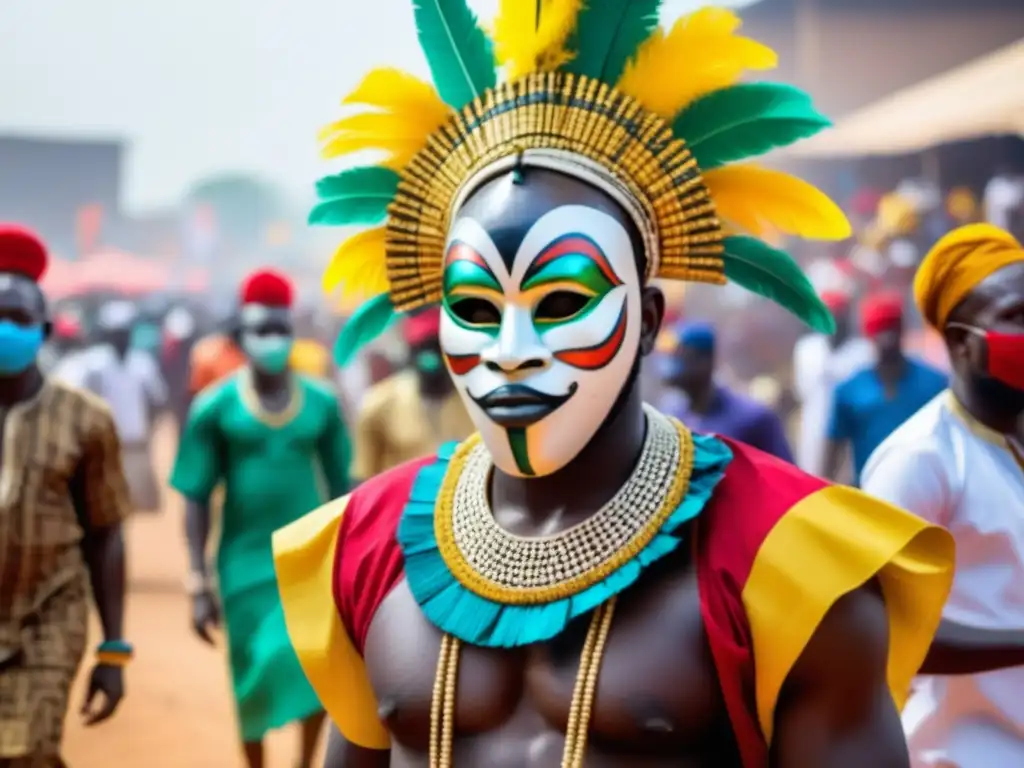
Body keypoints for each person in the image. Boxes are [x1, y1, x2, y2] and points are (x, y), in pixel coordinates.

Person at [273, 5, 957, 766]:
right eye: (473, 308)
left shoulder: (786, 565)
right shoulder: (368, 546)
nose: (511, 353)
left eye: (562, 301)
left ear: (649, 316)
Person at [169, 268, 351, 768]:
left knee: (313, 671)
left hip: (310, 563)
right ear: (240, 336)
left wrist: (349, 565)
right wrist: (196, 578)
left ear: (292, 333)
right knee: (249, 672)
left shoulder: (323, 403)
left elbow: (345, 489)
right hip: (242, 566)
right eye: (259, 330)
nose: (271, 340)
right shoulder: (215, 408)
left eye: (280, 329)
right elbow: (195, 494)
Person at [861, 224, 1024, 768]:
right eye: (1017, 318)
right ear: (960, 342)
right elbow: (884, 628)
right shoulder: (918, 460)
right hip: (960, 755)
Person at [0, 225, 132, 767]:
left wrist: (114, 650)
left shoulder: (86, 420)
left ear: (46, 330)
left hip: (49, 613)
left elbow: (106, 534)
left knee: (29, 750)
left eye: (19, 320)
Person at [824, 291, 947, 485]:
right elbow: (832, 454)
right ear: (869, 335)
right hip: (869, 498)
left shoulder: (935, 384)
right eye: (880, 331)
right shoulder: (849, 391)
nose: (887, 339)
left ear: (902, 330)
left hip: (927, 493)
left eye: (892, 329)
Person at [350, 308, 474, 483]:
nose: (433, 358)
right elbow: (362, 479)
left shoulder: (477, 401)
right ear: (410, 352)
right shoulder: (379, 404)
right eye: (424, 348)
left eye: (439, 347)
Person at [70, 299, 169, 513]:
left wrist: (149, 429)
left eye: (124, 332)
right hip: (103, 447)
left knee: (140, 508)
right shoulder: (94, 364)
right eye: (116, 333)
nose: (120, 338)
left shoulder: (143, 363)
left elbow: (157, 401)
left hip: (135, 443)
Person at [660, 321, 794, 461]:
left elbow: (788, 475)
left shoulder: (753, 419)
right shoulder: (671, 418)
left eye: (680, 356)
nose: (670, 365)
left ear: (706, 361)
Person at [792, 289, 875, 476]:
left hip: (850, 431)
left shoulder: (864, 352)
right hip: (814, 427)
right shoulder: (806, 349)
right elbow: (802, 391)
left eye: (838, 314)